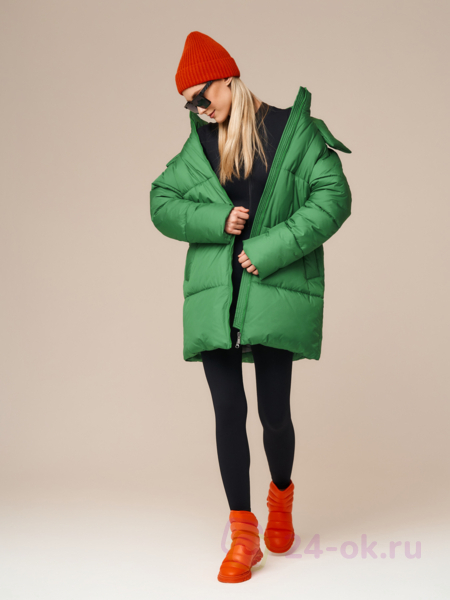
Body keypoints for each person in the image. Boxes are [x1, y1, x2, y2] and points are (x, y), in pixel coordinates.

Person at [150, 31, 352, 584]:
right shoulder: (199, 146)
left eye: (202, 96)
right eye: (189, 104)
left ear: (228, 79)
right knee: (227, 412)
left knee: (274, 414)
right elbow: (160, 202)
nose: (199, 109)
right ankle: (243, 534)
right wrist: (216, 221)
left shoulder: (292, 131)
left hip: (272, 292)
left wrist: (268, 249)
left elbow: (334, 197)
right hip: (215, 297)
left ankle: (280, 499)